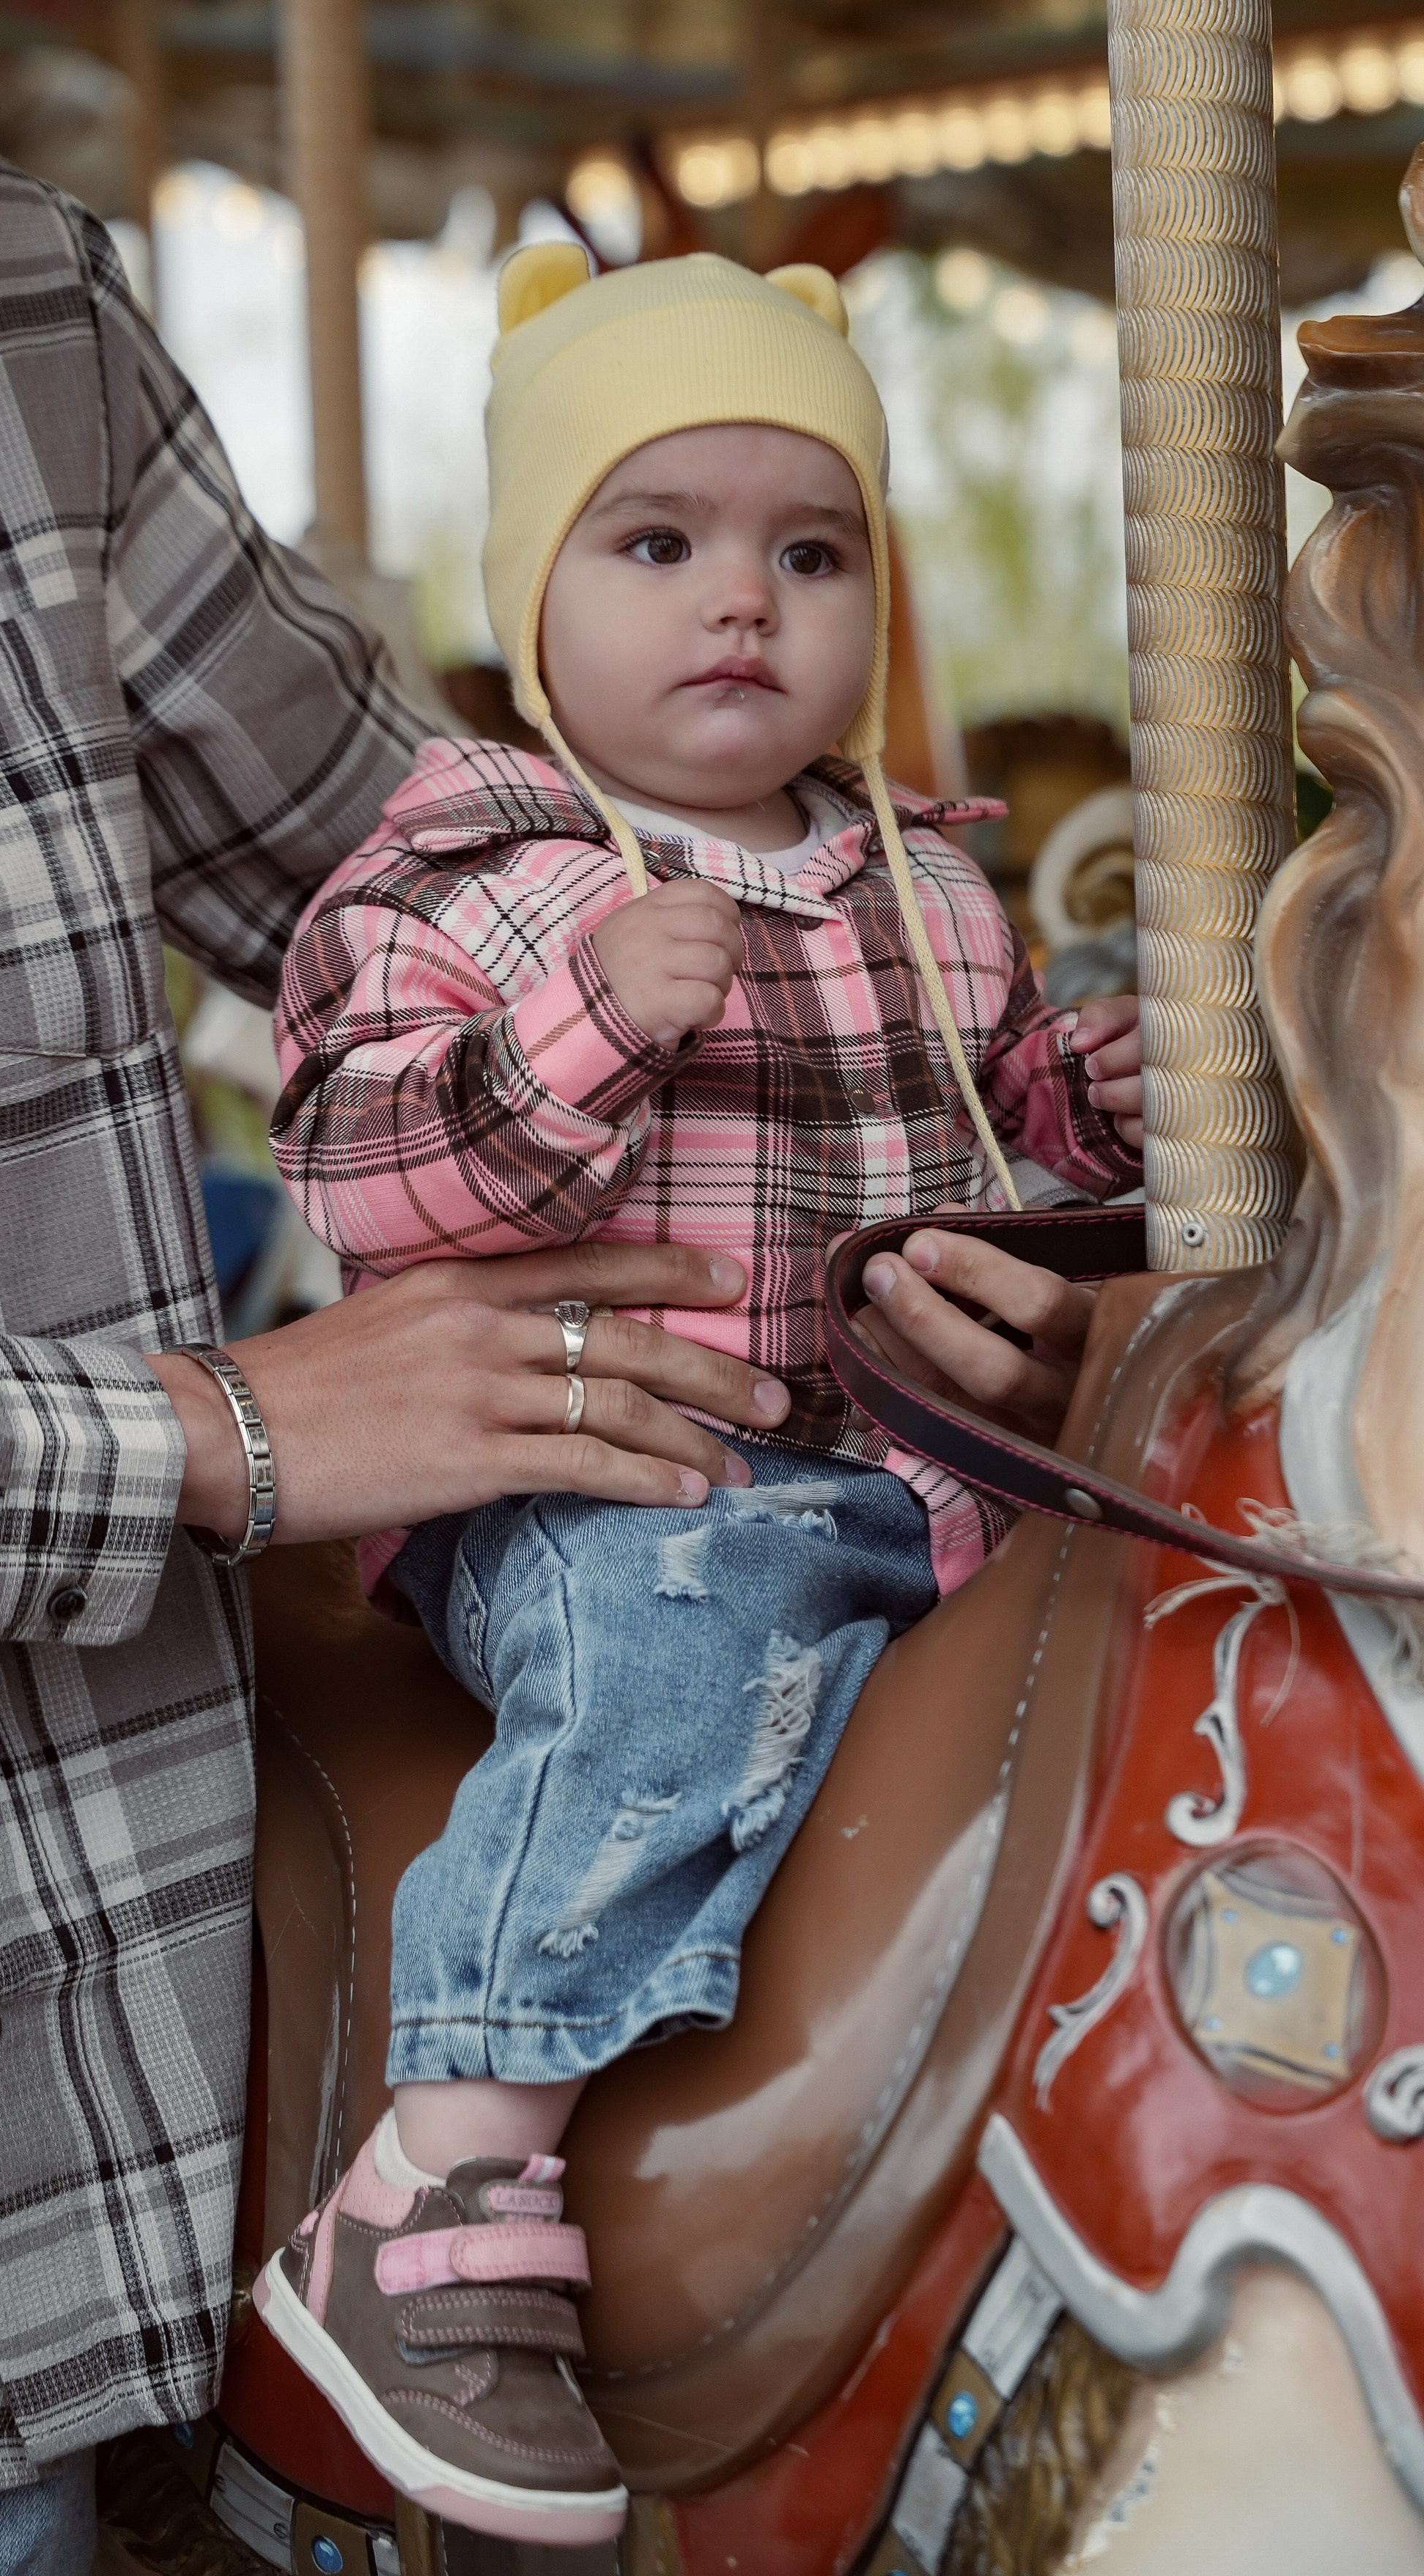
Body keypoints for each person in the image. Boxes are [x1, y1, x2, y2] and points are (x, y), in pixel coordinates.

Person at [0, 146, 810, 2575]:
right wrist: (227, 1427)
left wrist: (920, 1166)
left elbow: (411, 873)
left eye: (804, 555)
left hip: (93, 2082)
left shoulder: (2, 295)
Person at [257, 246, 1145, 2541]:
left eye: (811, 547)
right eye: (657, 543)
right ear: (533, 591)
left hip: (904, 1479)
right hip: (603, 1490)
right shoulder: (467, 880)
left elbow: (986, 1156)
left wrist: (1098, 1122)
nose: (740, 599)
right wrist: (585, 1030)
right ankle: (437, 2177)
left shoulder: (931, 891)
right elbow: (365, 1170)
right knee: (676, 1660)